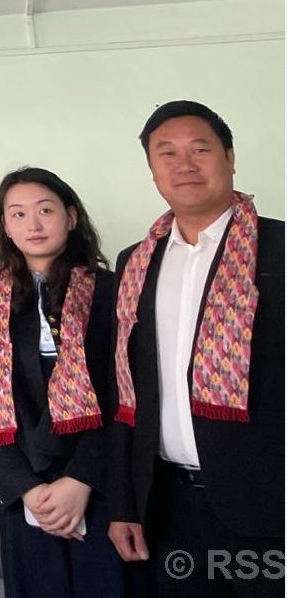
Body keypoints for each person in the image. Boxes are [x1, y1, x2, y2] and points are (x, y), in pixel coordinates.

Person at [106, 100, 284, 597]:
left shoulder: (279, 249)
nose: (183, 164)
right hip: (169, 506)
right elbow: (127, 388)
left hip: (270, 506)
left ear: (230, 158)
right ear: (152, 170)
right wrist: (125, 503)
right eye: (167, 153)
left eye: (199, 149)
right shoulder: (135, 263)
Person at [0, 167, 122, 597]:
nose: (33, 224)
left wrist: (81, 480)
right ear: (5, 227)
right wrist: (27, 488)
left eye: (45, 210)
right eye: (17, 214)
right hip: (26, 490)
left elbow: (125, 393)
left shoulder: (111, 292)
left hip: (100, 482)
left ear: (71, 217)